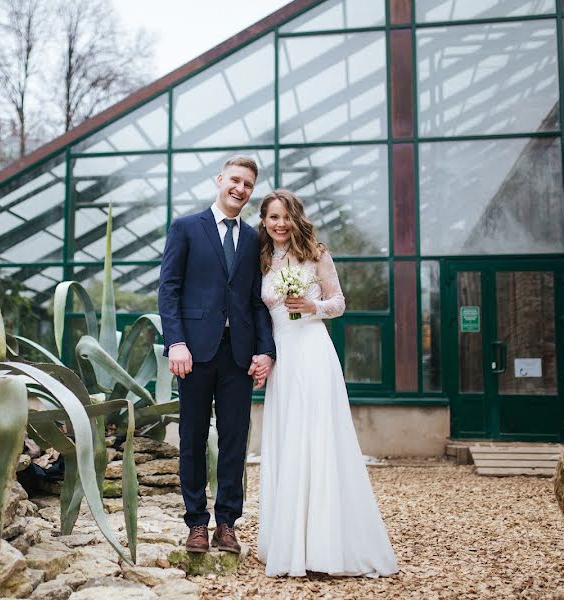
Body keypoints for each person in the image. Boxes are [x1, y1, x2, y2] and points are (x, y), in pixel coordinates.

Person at [255, 189, 399, 577]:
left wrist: (312, 307)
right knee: (289, 440)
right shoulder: (263, 258)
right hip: (283, 358)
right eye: (272, 217)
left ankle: (324, 546)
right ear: (264, 222)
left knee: (317, 438)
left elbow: (339, 302)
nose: (280, 224)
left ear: (295, 217)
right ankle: (287, 541)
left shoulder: (316, 253)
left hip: (314, 351)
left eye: (285, 216)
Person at [158, 155, 275, 554]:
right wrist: (176, 342)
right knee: (191, 439)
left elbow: (258, 302)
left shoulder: (256, 238)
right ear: (220, 179)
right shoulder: (186, 227)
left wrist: (266, 350)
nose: (240, 189)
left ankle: (227, 523)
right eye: (235, 180)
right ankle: (195, 523)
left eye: (248, 185)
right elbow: (169, 289)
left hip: (238, 356)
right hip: (193, 352)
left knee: (234, 440)